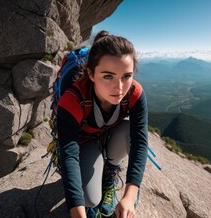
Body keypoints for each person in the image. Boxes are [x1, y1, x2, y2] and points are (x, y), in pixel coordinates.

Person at [57, 30, 148, 218]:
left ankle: (109, 174)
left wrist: (130, 196)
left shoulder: (136, 93)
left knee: (129, 130)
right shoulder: (72, 100)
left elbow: (139, 141)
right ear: (91, 73)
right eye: (108, 76)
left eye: (126, 76)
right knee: (89, 199)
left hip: (112, 135)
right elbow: (68, 154)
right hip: (85, 143)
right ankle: (98, 172)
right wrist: (77, 214)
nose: (120, 87)